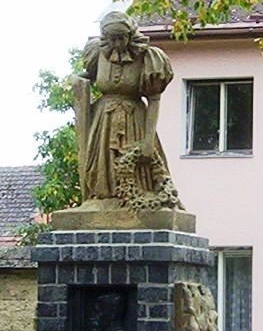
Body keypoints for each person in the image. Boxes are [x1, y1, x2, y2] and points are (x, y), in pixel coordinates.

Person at [72, 11, 183, 210]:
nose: (117, 44)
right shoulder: (97, 53)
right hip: (104, 120)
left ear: (130, 35)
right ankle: (104, 199)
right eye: (112, 39)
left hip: (134, 120)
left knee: (139, 166)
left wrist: (148, 140)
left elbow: (154, 99)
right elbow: (88, 76)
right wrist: (77, 82)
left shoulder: (148, 57)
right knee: (100, 166)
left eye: (121, 38)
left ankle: (137, 198)